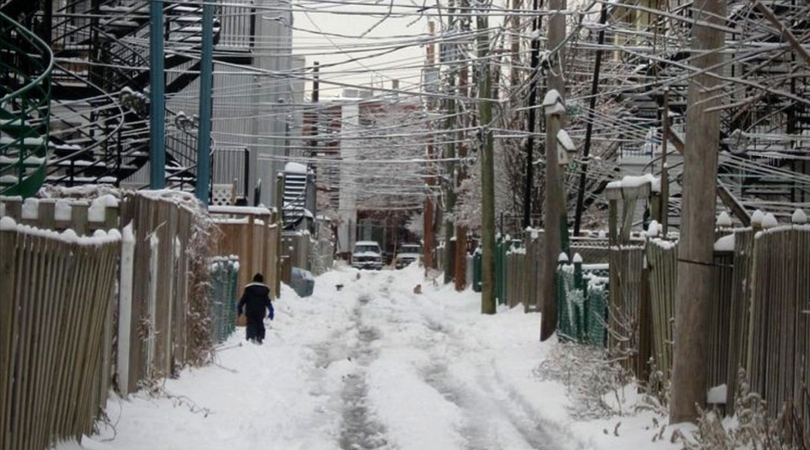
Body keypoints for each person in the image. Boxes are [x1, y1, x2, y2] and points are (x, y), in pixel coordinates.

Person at [237, 273, 274, 344]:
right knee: (260, 323)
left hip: (250, 310)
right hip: (260, 311)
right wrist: (271, 310)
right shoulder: (264, 291)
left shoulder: (249, 289)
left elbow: (243, 300)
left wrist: (240, 308)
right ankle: (260, 337)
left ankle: (251, 338)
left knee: (251, 323)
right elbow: (267, 302)